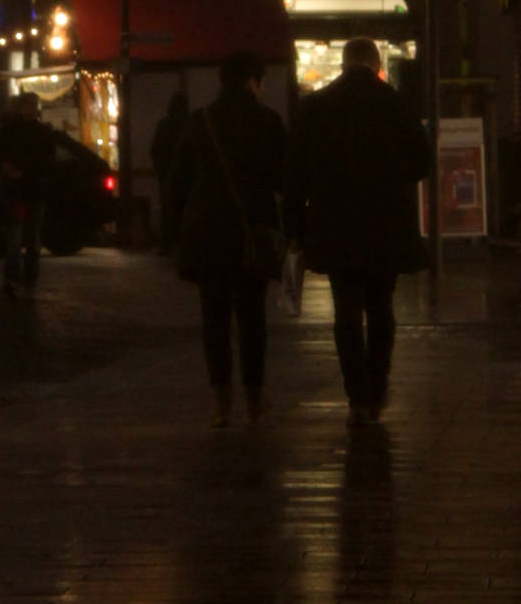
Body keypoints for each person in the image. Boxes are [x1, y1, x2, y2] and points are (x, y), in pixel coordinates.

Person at [286, 37, 430, 417]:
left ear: (344, 64)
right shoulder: (396, 103)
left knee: (345, 309)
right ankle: (378, 381)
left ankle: (356, 391)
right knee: (381, 306)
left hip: (335, 225)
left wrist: (295, 228)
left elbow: (296, 173)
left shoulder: (316, 106)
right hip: (387, 224)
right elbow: (422, 163)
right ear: (375, 63)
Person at [165, 50, 287, 423]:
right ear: (253, 81)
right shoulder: (268, 122)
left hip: (208, 233)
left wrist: (177, 230)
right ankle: (254, 398)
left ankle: (221, 400)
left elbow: (178, 181)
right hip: (253, 231)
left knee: (214, 318)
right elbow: (284, 178)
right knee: (252, 317)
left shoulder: (201, 122)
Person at [0, 81, 57, 295]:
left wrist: (15, 170)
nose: (30, 110)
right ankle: (21, 280)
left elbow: (45, 161)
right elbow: (45, 161)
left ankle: (22, 280)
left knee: (23, 239)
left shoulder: (17, 132)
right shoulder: (32, 132)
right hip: (25, 191)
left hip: (26, 191)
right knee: (20, 239)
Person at [150, 88, 191, 248]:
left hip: (167, 175)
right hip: (186, 178)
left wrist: (160, 170)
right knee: (184, 210)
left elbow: (155, 149)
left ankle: (168, 242)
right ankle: (184, 242)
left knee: (168, 209)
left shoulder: (164, 125)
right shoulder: (189, 124)